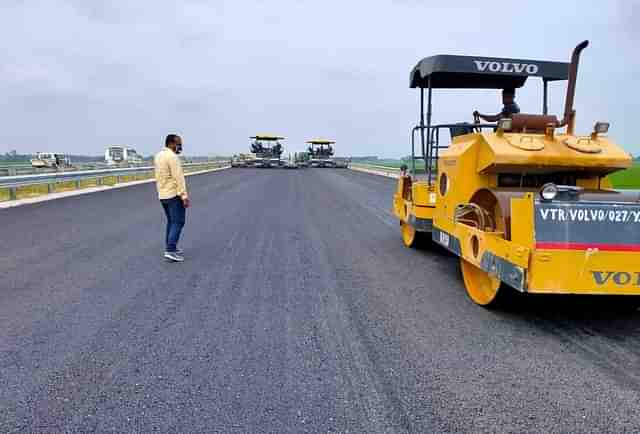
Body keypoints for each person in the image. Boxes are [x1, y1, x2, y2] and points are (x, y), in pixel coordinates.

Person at [154, 134, 190, 262]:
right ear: (171, 143)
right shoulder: (172, 157)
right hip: (173, 194)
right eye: (178, 144)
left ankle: (171, 247)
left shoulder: (158, 156)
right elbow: (178, 178)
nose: (180, 146)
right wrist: (184, 196)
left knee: (171, 221)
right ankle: (170, 250)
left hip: (162, 195)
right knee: (178, 222)